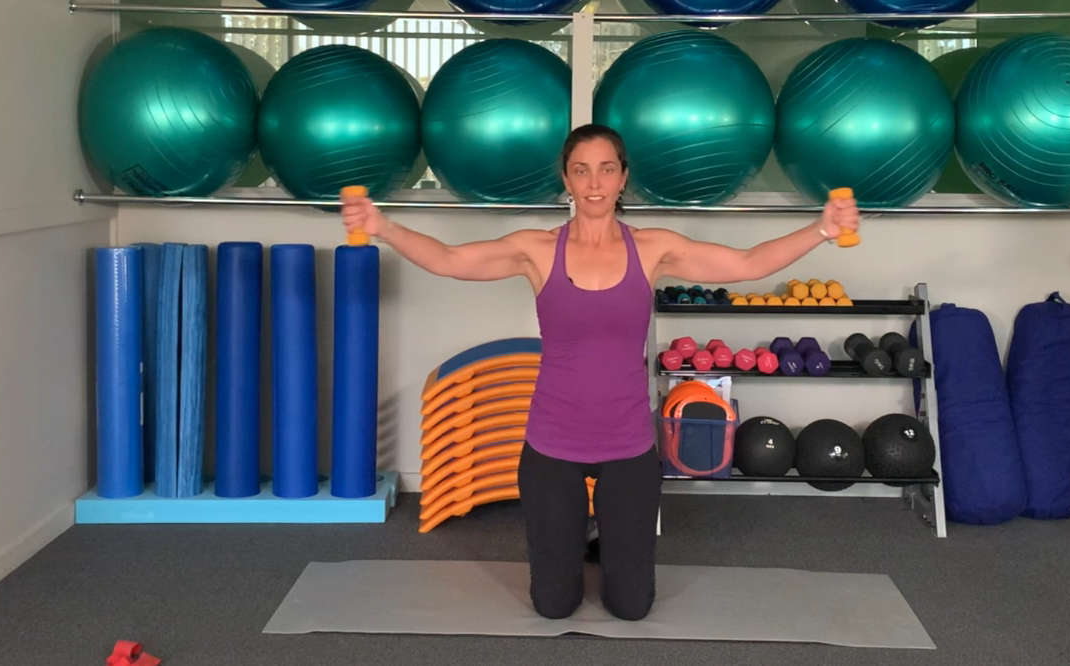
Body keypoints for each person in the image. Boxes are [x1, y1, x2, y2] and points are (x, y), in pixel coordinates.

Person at [340, 123, 860, 622]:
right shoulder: (537, 250)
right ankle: (579, 543)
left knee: (631, 606)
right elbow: (449, 258)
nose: (594, 184)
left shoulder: (652, 248)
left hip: (628, 447)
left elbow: (747, 263)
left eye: (606, 169)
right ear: (565, 179)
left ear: (623, 177)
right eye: (581, 170)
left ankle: (605, 542)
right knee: (554, 605)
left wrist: (822, 228)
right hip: (551, 446)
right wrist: (382, 225)